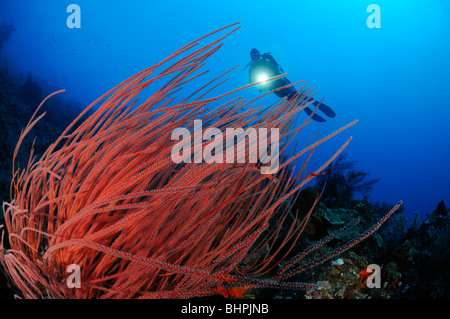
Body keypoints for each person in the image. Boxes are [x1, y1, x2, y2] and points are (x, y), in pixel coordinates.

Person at [245, 48, 335, 122]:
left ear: (259, 54)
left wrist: (280, 75)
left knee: (296, 94)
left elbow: (277, 66)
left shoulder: (267, 58)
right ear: (251, 58)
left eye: (257, 54)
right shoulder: (252, 67)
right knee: (291, 99)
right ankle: (305, 108)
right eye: (253, 56)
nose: (256, 57)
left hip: (281, 80)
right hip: (271, 86)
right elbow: (252, 81)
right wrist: (260, 85)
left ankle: (314, 102)